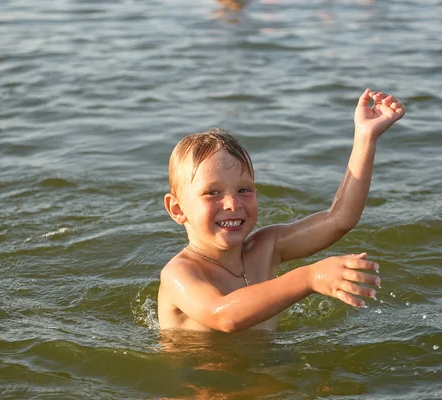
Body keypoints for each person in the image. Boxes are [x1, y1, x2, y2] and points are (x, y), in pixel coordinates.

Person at [158, 88, 405, 332]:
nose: (233, 203)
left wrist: (366, 136)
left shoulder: (266, 248)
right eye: (213, 193)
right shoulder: (179, 273)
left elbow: (340, 219)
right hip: (203, 371)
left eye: (244, 190)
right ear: (177, 209)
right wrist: (310, 277)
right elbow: (224, 316)